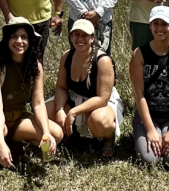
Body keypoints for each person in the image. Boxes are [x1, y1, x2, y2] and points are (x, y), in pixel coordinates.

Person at [0, 17, 64, 186]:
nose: (19, 41)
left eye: (24, 37)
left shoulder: (35, 66)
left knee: (55, 133)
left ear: (30, 41)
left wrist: (46, 132)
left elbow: (38, 103)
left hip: (17, 118)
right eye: (14, 36)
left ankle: (12, 143)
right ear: (6, 40)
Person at [131, 5, 169, 171]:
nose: (160, 28)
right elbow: (139, 95)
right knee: (150, 160)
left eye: (164, 24)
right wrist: (150, 130)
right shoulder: (139, 54)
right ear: (150, 26)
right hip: (149, 115)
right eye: (156, 23)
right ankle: (144, 131)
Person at [50, 19, 122, 158]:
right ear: (71, 37)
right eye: (76, 34)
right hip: (75, 96)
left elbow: (103, 98)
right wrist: (59, 109)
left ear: (92, 38)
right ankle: (73, 135)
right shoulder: (67, 55)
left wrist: (73, 112)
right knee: (47, 111)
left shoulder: (102, 60)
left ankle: (108, 137)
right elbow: (61, 87)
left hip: (98, 102)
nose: (80, 39)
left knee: (100, 121)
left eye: (85, 35)